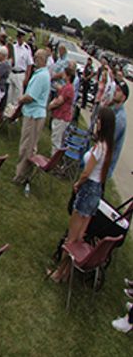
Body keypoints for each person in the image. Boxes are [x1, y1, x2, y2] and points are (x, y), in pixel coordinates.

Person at [49, 107, 114, 283]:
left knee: (71, 237)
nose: (96, 123)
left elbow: (87, 172)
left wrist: (78, 183)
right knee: (79, 237)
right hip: (96, 193)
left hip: (88, 190)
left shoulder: (99, 148)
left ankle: (58, 273)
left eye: (99, 121)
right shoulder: (107, 147)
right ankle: (65, 272)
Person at [11, 49, 51, 184]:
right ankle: (25, 174)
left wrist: (20, 99)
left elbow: (31, 97)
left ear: (42, 59)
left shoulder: (41, 76)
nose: (34, 59)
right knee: (31, 145)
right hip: (35, 113)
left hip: (34, 115)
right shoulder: (43, 74)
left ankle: (20, 176)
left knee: (27, 146)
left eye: (36, 57)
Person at [49, 64, 76, 153]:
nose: (62, 75)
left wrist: (50, 106)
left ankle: (53, 159)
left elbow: (60, 101)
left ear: (68, 76)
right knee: (57, 138)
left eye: (64, 74)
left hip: (62, 117)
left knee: (56, 139)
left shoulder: (68, 88)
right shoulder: (67, 87)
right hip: (61, 115)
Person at [8, 30, 34, 108]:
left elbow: (29, 65)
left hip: (20, 74)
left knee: (18, 95)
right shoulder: (14, 47)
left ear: (23, 38)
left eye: (21, 37)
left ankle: (14, 113)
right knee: (10, 94)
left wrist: (27, 77)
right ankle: (7, 111)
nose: (19, 39)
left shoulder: (26, 49)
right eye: (18, 37)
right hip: (12, 72)